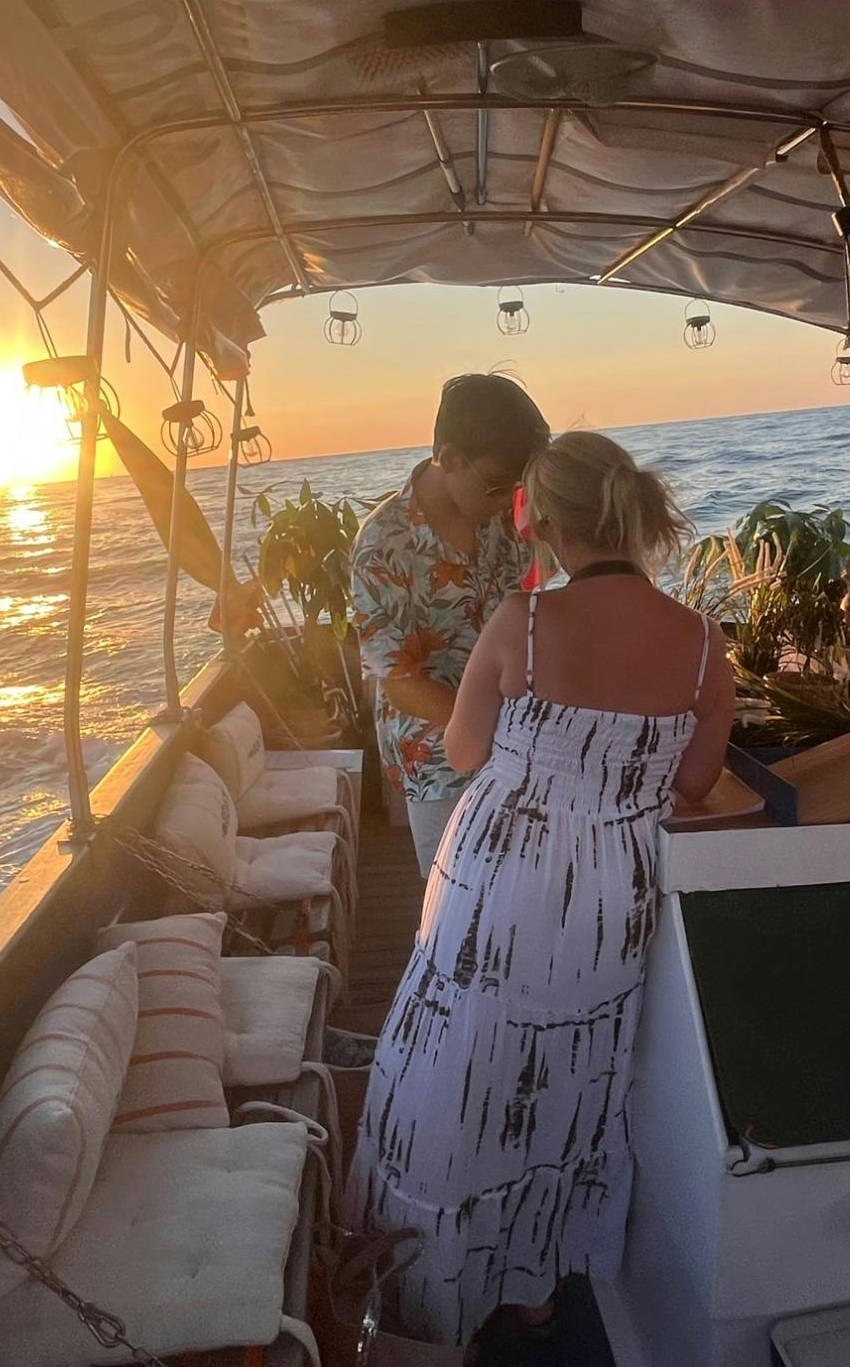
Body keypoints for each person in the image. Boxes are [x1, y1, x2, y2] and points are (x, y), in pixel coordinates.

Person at [345, 431, 735, 1354]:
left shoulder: (522, 623)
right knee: (567, 1079)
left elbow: (464, 753)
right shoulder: (701, 643)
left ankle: (439, 1296)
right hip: (611, 897)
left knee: (462, 1071)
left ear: (546, 521)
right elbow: (697, 783)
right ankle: (533, 1291)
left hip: (502, 880)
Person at [351, 373, 551, 876]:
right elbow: (400, 684)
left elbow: (524, 617)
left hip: (514, 746)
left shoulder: (503, 522)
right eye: (497, 483)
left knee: (520, 888)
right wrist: (493, 732)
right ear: (450, 457)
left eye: (518, 486)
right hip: (438, 760)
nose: (509, 499)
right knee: (452, 903)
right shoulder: (383, 544)